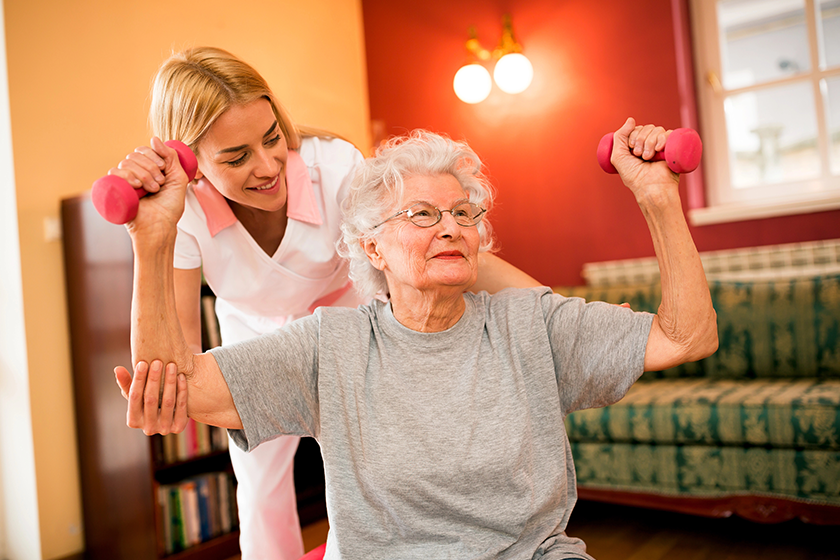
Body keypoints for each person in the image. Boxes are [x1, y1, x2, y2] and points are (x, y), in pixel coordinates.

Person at [115, 121, 718, 560]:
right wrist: (153, 237)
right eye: (423, 215)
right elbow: (179, 387)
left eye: (464, 213)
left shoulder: (530, 323)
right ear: (373, 247)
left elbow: (686, 338)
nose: (452, 226)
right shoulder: (332, 348)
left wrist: (659, 198)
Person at [106, 47, 541, 560]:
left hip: (351, 314)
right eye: (236, 156)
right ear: (189, 161)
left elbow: (438, 248)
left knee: (370, 465)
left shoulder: (334, 166)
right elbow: (176, 355)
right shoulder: (185, 210)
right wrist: (149, 233)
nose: (269, 166)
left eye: (271, 138)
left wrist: (550, 306)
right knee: (259, 483)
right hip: (256, 328)